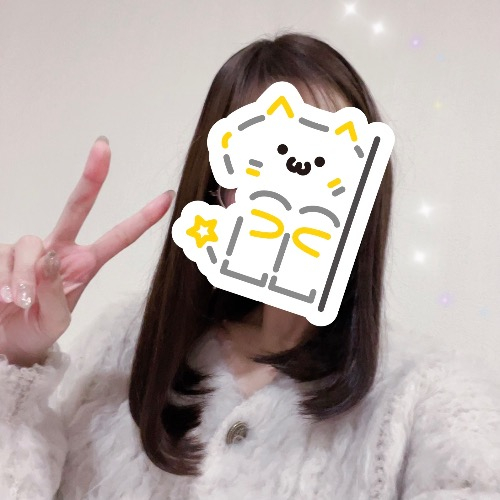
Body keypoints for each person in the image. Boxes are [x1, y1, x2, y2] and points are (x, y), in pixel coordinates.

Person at [0, 33, 499, 500]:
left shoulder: (430, 402)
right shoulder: (120, 353)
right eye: (266, 160)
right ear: (217, 186)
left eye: (329, 162)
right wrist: (15, 362)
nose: (293, 191)